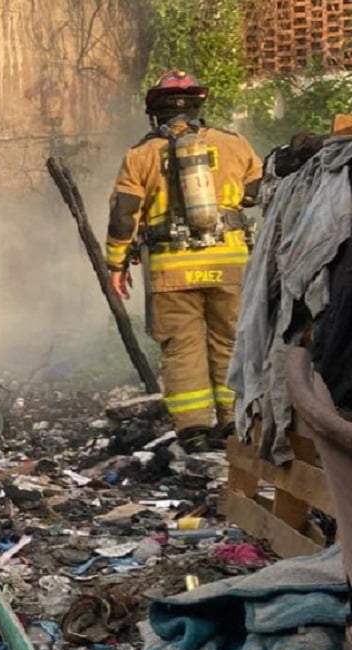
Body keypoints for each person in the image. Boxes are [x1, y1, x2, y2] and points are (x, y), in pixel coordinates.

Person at [105, 69, 262, 453]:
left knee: (181, 347)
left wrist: (116, 264)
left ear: (155, 112)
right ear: (198, 105)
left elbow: (124, 213)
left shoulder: (140, 155)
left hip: (172, 270)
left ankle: (193, 430)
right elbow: (259, 190)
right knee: (231, 341)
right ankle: (235, 423)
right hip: (230, 265)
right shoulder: (234, 144)